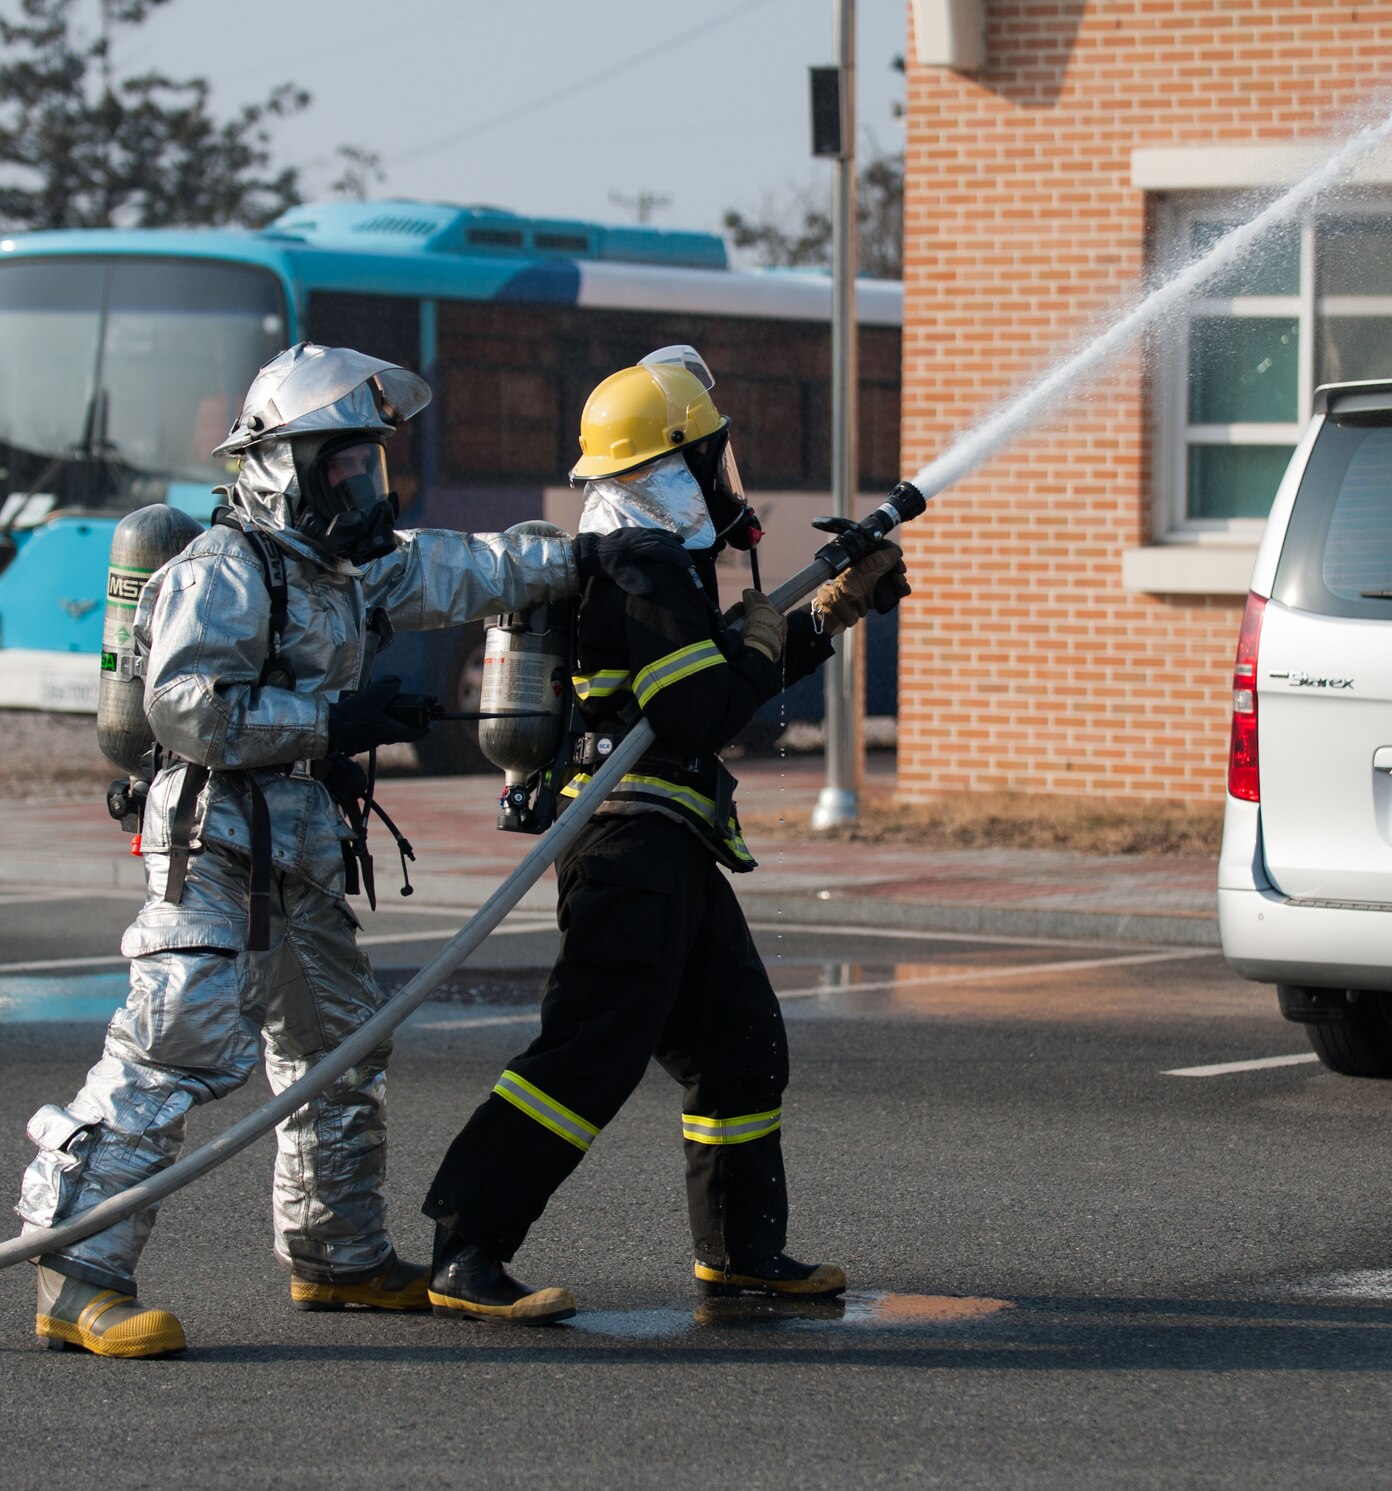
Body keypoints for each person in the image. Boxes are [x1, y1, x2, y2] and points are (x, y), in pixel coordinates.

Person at [17, 343, 690, 1358]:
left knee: (337, 1049)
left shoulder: (341, 568)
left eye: (368, 465)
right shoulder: (223, 569)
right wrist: (335, 718)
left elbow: (457, 566)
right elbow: (187, 706)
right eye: (342, 465)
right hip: (215, 851)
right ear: (280, 463)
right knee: (173, 1050)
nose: (361, 485)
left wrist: (583, 558)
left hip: (298, 851)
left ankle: (337, 1257)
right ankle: (79, 1275)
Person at [420, 346, 907, 1324]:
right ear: (669, 467)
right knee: (589, 1051)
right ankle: (466, 1248)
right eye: (709, 461)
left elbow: (718, 677)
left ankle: (743, 1254)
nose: (723, 483)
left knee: (736, 1044)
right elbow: (695, 710)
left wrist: (828, 609)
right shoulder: (640, 563)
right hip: (625, 845)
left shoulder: (655, 562)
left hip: (667, 839)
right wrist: (771, 636)